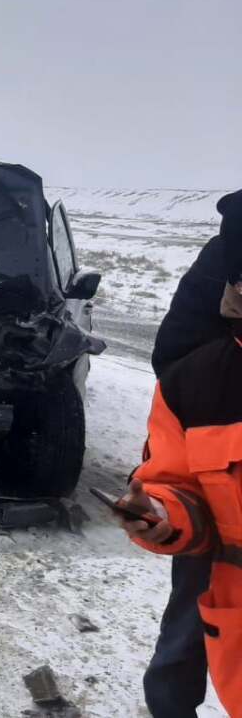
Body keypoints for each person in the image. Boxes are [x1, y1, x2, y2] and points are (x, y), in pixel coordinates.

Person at [119, 270, 242, 716]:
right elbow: (184, 486)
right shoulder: (194, 383)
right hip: (230, 588)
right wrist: (159, 514)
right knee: (185, 632)